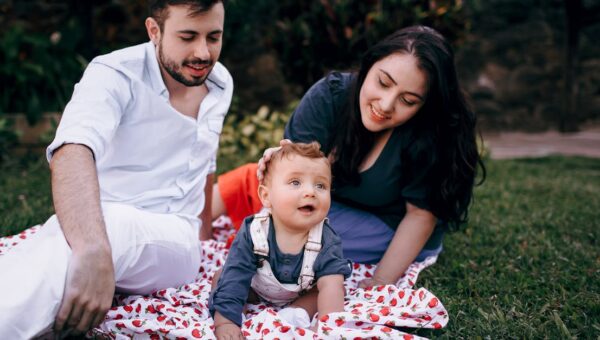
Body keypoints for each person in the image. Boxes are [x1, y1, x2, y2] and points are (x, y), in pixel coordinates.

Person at [0, 0, 231, 338]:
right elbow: (73, 149)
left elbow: (204, 162)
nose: (203, 52)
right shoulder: (115, 72)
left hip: (174, 241)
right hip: (93, 221)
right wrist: (91, 249)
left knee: (112, 228)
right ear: (154, 30)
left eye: (214, 37)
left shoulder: (221, 82)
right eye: (187, 37)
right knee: (61, 243)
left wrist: (206, 237)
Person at [212, 25, 485, 289]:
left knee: (298, 236)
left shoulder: (430, 135)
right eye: (382, 82)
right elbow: (295, 170)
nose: (386, 105)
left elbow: (419, 217)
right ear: (369, 66)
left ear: (425, 104)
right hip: (331, 202)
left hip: (391, 225)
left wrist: (380, 281)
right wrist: (280, 163)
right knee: (249, 178)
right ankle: (194, 232)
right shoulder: (332, 95)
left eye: (408, 100)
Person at [210, 142, 351, 339]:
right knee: (224, 277)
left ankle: (295, 313)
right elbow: (237, 273)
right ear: (266, 196)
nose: (310, 192)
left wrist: (327, 327)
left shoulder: (326, 238)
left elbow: (331, 284)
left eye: (321, 185)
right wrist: (225, 321)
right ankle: (233, 317)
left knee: (330, 291)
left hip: (300, 293)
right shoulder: (254, 231)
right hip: (255, 287)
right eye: (295, 182)